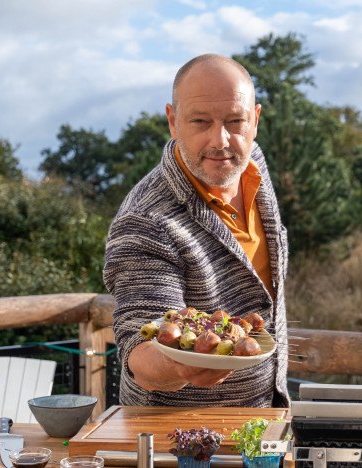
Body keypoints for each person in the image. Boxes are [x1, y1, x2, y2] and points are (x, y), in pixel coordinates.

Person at [103, 54, 289, 407]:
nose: (220, 140)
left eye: (236, 121)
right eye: (200, 121)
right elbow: (138, 350)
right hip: (176, 442)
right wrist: (180, 367)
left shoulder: (253, 165)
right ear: (173, 121)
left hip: (263, 423)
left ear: (256, 120)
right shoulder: (146, 220)